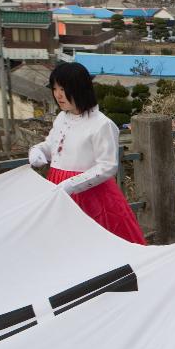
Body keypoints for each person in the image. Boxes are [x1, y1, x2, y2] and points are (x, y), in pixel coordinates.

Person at [29, 61, 146, 244]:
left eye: (63, 88)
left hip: (92, 195)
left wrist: (71, 185)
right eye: (55, 88)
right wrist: (38, 151)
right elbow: (53, 145)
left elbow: (108, 166)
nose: (58, 95)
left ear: (79, 88)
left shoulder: (101, 124)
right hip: (58, 188)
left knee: (95, 245)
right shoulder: (61, 117)